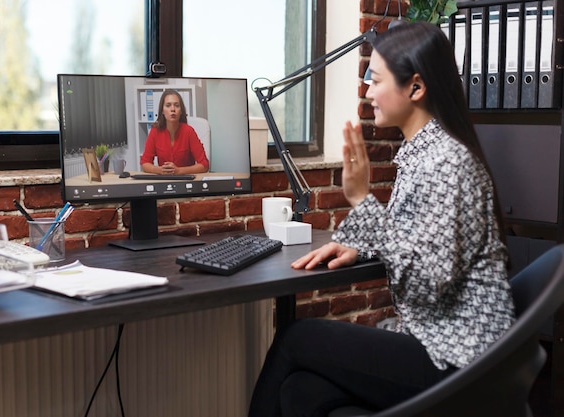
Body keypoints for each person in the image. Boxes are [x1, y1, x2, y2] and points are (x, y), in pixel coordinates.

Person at [247, 21, 516, 417]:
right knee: (302, 391)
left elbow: (428, 285)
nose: (367, 91)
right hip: (435, 344)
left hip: (458, 359)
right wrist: (362, 243)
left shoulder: (447, 163)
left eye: (375, 80)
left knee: (295, 338)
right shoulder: (421, 154)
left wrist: (361, 200)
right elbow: (414, 237)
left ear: (416, 88)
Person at [140, 89, 210, 175]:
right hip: (164, 181)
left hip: (186, 182)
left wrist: (179, 171)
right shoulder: (155, 131)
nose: (173, 109)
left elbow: (204, 165)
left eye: (176, 105)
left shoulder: (189, 131)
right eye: (168, 105)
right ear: (162, 110)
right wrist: (159, 170)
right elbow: (145, 163)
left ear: (181, 111)